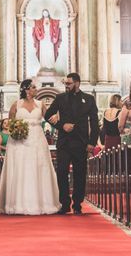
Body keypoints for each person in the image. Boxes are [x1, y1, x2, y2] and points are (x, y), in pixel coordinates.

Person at [0, 79, 61, 214]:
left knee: (39, 166)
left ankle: (43, 202)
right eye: (33, 87)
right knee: (20, 166)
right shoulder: (16, 105)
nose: (36, 89)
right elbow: (10, 123)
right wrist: (16, 130)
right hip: (19, 141)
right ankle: (17, 203)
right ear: (26, 90)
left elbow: (49, 118)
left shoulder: (40, 104)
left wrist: (59, 119)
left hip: (37, 138)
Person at [44, 72, 99, 215]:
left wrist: (92, 142)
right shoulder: (60, 98)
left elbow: (94, 123)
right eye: (65, 84)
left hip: (81, 142)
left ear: (77, 83)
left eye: (69, 83)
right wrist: (62, 125)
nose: (66, 86)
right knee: (62, 172)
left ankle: (77, 204)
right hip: (64, 142)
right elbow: (47, 115)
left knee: (80, 174)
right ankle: (65, 203)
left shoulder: (89, 99)